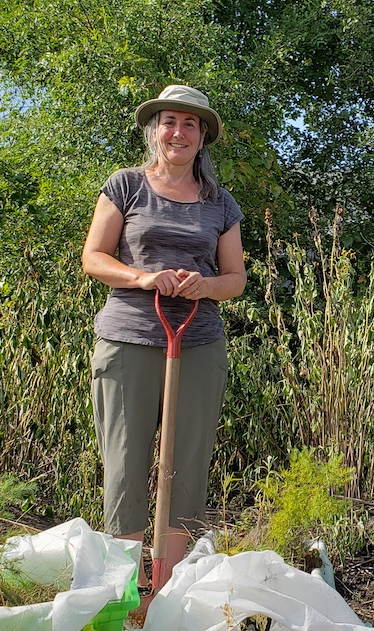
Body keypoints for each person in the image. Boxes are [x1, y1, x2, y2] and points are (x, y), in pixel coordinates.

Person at [82, 84, 246, 602]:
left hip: (197, 341)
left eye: (190, 124)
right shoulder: (126, 185)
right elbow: (94, 257)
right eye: (170, 121)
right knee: (126, 464)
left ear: (203, 139)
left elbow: (235, 279)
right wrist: (143, 278)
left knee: (187, 465)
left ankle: (167, 594)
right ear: (156, 130)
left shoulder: (221, 203)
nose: (179, 132)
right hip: (129, 337)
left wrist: (205, 285)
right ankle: (129, 597)